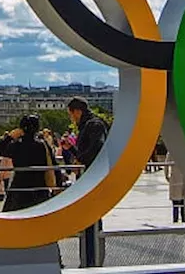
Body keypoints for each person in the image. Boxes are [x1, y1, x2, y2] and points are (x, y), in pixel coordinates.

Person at [68, 97, 108, 264]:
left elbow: (97, 148)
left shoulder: (93, 125)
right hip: (91, 176)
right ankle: (90, 258)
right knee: (90, 220)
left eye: (71, 114)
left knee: (90, 219)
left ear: (77, 111)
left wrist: (80, 159)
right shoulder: (92, 124)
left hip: (92, 177)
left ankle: (91, 259)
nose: (71, 118)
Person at [0, 115, 57, 212]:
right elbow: (53, 163)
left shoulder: (16, 145)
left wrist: (10, 136)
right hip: (39, 188)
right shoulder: (42, 145)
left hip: (19, 187)